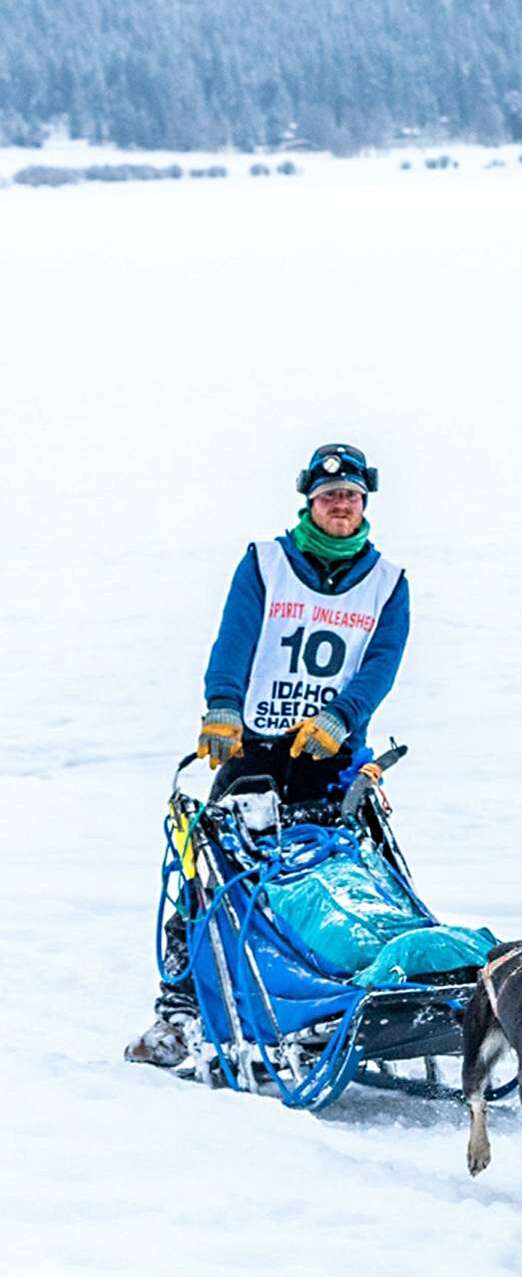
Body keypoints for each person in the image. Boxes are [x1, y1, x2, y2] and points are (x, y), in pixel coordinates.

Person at [125, 442, 411, 1066]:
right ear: (311, 501)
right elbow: (236, 635)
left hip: (332, 755)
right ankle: (178, 1011)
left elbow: (382, 663)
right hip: (254, 747)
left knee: (344, 880)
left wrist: (341, 717)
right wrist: (222, 705)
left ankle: (340, 995)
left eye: (352, 496)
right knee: (215, 876)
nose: (341, 505)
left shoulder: (388, 583)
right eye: (330, 496)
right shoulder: (266, 562)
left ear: (366, 505)